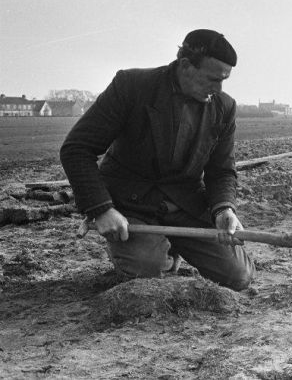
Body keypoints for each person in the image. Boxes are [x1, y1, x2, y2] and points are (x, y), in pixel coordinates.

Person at [60, 29, 255, 291]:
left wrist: (223, 209)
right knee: (146, 271)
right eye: (212, 79)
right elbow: (77, 148)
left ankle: (170, 244)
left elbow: (221, 171)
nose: (219, 89)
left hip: (186, 206)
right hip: (133, 207)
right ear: (186, 65)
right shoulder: (132, 86)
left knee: (238, 276)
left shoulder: (224, 106)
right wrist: (102, 210)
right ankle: (149, 250)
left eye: (224, 80)